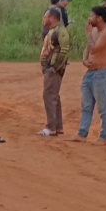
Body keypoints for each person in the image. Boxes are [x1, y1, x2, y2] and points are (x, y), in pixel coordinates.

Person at [68, 5, 106, 145]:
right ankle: (82, 133)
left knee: (103, 107)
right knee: (86, 105)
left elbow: (94, 49)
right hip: (90, 72)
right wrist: (84, 59)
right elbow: (87, 48)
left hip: (103, 73)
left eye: (92, 16)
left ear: (99, 18)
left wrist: (88, 34)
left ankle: (103, 136)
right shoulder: (95, 31)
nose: (89, 18)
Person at [37, 7, 70, 137]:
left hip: (53, 70)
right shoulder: (54, 31)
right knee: (53, 96)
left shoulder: (60, 32)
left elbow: (64, 51)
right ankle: (58, 127)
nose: (43, 19)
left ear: (52, 18)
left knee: (49, 96)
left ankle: (51, 127)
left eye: (45, 17)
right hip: (51, 69)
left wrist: (54, 67)